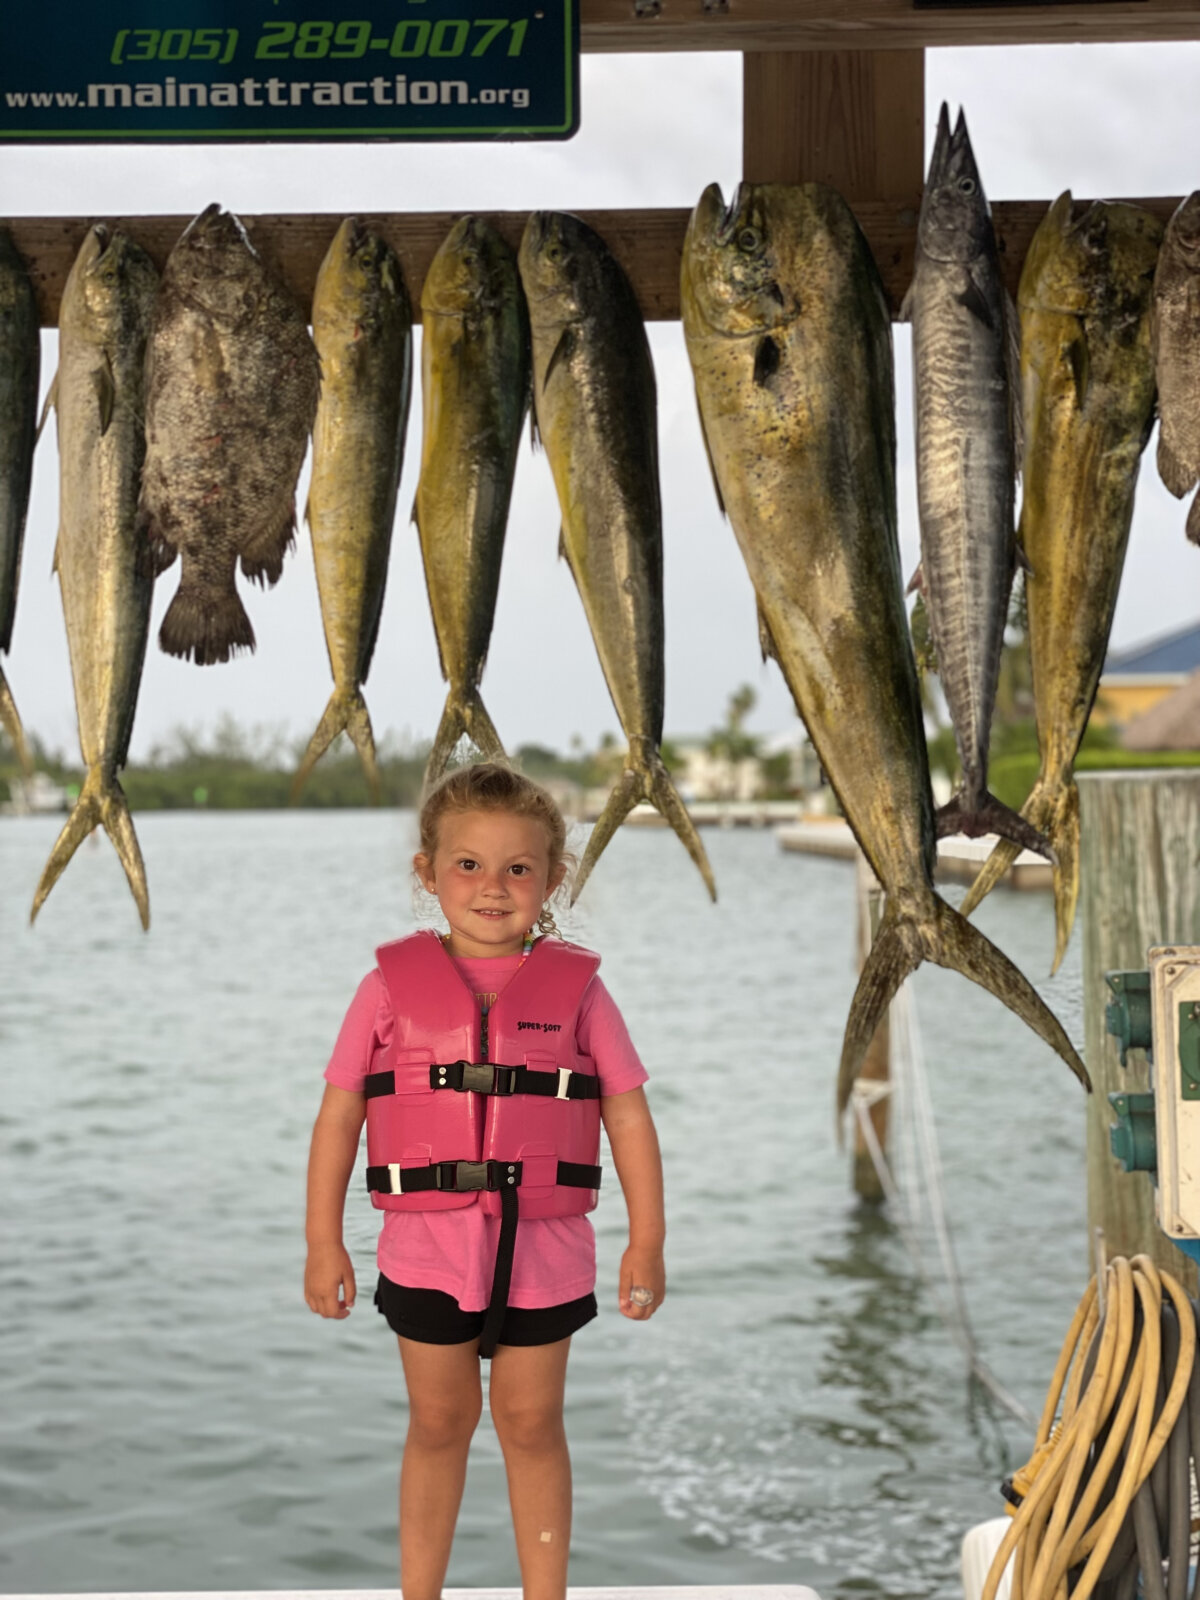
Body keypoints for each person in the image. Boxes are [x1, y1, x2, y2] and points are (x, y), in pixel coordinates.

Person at [304, 762, 666, 1600]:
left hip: (547, 1252)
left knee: (533, 1426)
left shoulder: (583, 995)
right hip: (427, 1250)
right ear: (427, 873)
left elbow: (631, 1118)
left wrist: (646, 1240)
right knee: (439, 1424)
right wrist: (323, 1241)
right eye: (468, 863)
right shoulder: (385, 990)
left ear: (553, 879)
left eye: (518, 868)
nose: (492, 887)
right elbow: (338, 1117)